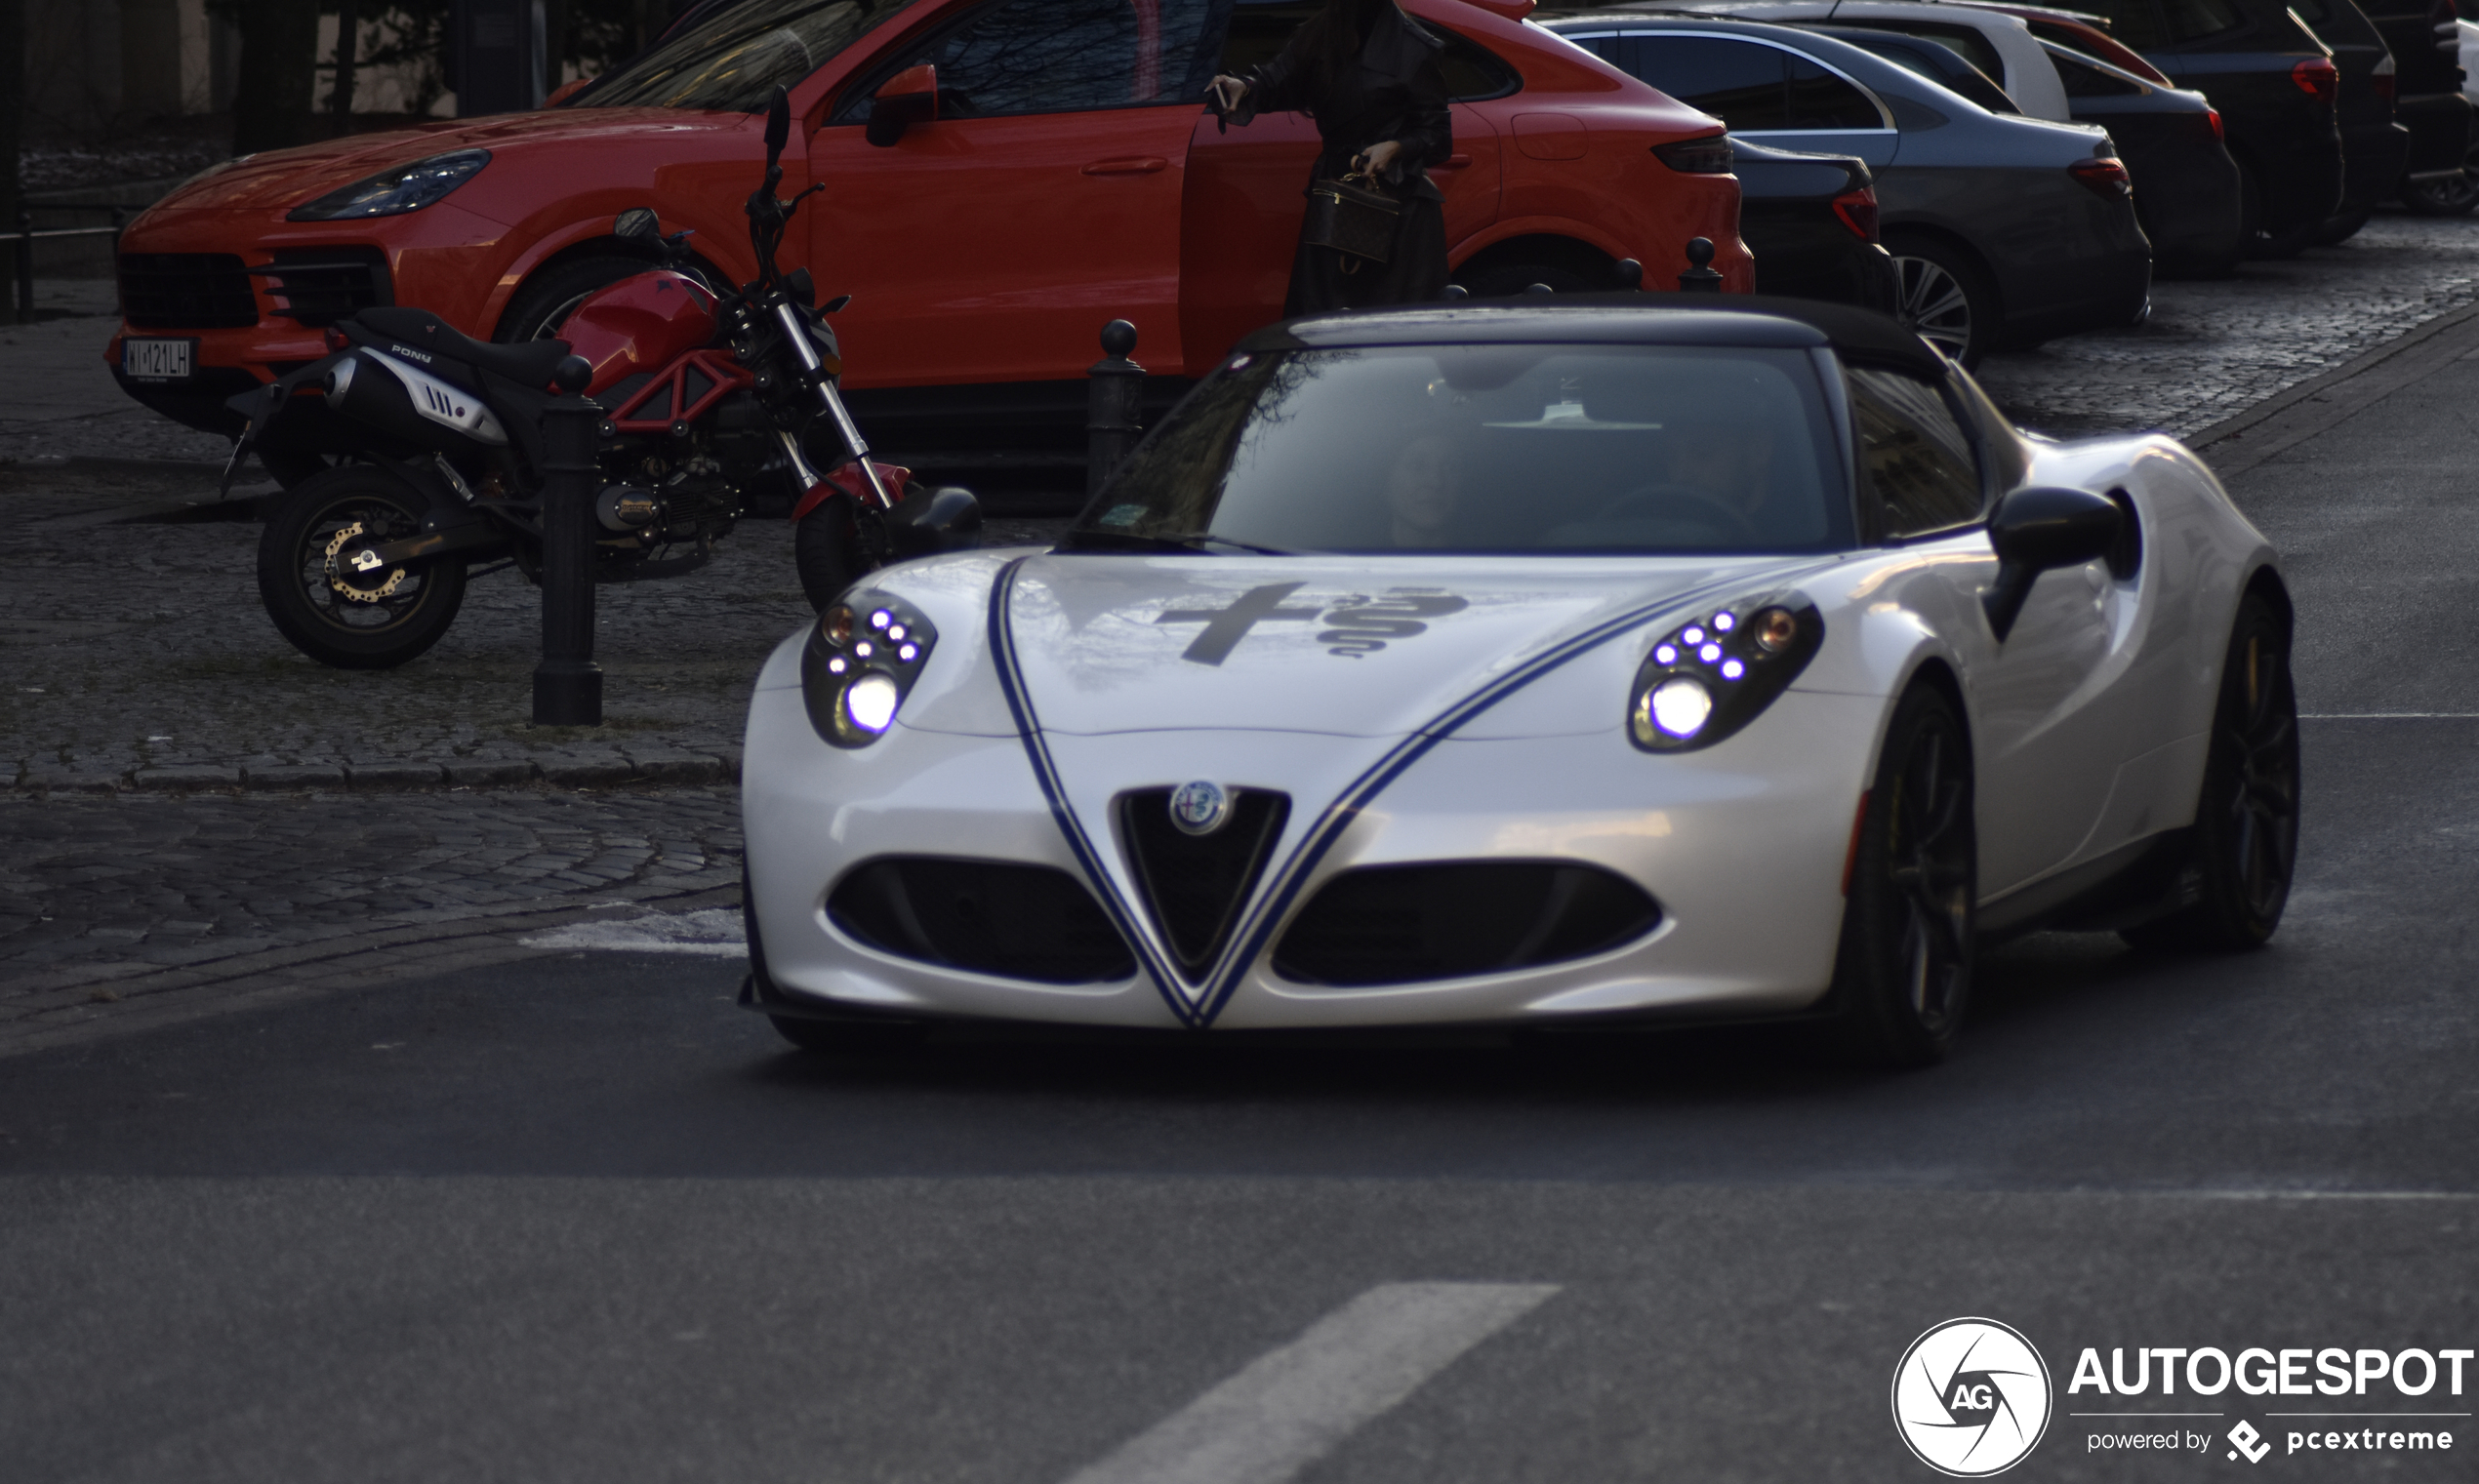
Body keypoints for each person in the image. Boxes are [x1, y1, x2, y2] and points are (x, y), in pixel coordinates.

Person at [1207, 0, 1453, 314]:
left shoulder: (1416, 47)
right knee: (1323, 317)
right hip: (1336, 197)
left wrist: (1395, 147)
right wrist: (1244, 85)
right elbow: (1276, 79)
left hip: (1397, 207)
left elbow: (1438, 137)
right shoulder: (1322, 31)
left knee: (1392, 326)